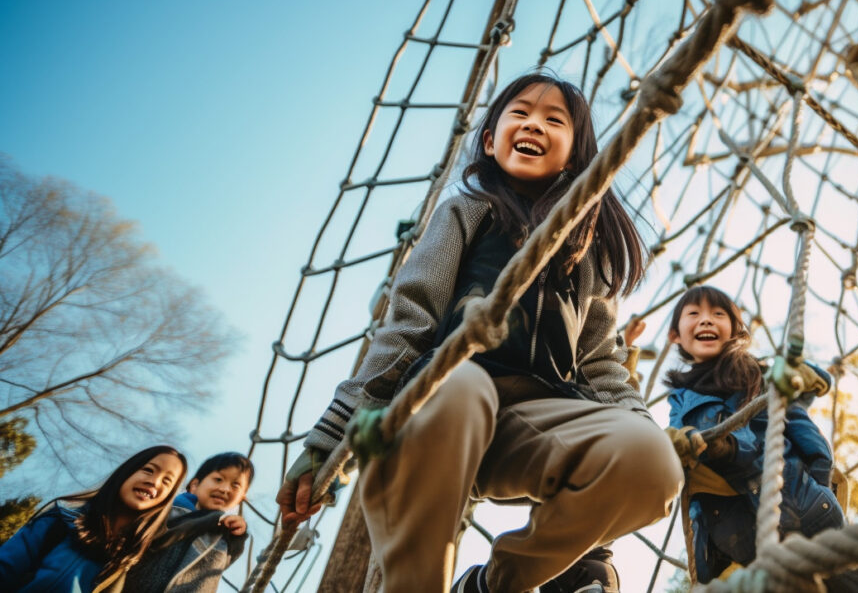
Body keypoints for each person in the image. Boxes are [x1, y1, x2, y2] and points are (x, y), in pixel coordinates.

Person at [276, 72, 682, 593]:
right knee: (462, 383)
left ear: (576, 157)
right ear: (490, 141)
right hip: (434, 412)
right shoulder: (468, 211)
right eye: (520, 113)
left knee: (652, 462)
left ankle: (494, 586)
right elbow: (409, 320)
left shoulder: (586, 250)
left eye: (554, 120)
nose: (534, 123)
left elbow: (600, 360)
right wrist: (335, 433)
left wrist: (640, 422)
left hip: (525, 426)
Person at [664, 285, 858, 590]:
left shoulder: (755, 376)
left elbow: (797, 403)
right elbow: (682, 437)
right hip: (739, 534)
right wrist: (684, 441)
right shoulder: (681, 398)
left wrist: (806, 378)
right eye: (694, 314)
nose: (706, 320)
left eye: (718, 314)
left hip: (797, 509)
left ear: (734, 330)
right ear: (675, 335)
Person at [0, 445, 187, 592]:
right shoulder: (59, 521)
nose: (154, 482)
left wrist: (213, 520)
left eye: (166, 481)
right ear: (125, 473)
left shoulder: (137, 560)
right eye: (148, 470)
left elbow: (187, 528)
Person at [125, 452, 254, 593]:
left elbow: (222, 563)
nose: (224, 489)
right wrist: (211, 519)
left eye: (235, 485)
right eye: (218, 479)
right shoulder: (171, 509)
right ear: (194, 485)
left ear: (242, 498)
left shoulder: (224, 532)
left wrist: (237, 537)